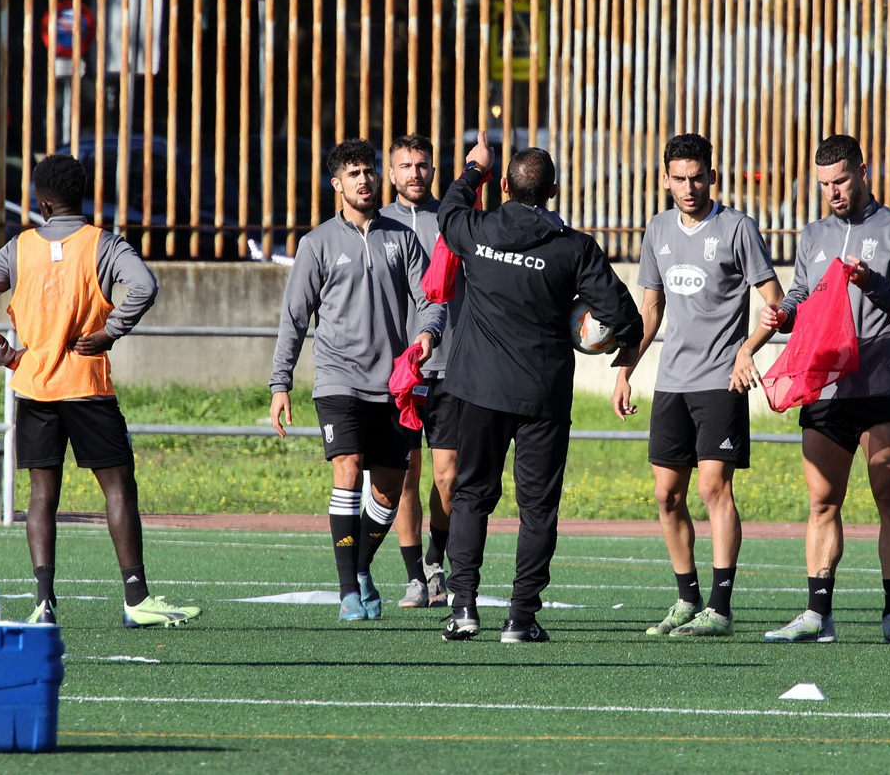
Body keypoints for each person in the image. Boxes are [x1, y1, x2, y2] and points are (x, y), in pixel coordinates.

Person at [0, 154, 200, 628]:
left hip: (34, 387)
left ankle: (44, 602)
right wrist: (111, 331)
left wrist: (6, 355)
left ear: (43, 201)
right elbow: (145, 286)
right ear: (81, 195)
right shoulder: (103, 244)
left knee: (41, 496)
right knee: (117, 488)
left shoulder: (19, 247)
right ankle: (136, 598)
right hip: (88, 385)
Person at [438, 134, 643, 643]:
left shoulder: (477, 228)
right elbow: (623, 316)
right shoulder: (574, 247)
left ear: (504, 185)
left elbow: (448, 210)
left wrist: (472, 169)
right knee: (537, 510)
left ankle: (463, 607)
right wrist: (614, 343)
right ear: (553, 190)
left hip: (479, 389)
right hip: (542, 396)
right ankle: (521, 618)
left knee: (471, 497)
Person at [752, 135, 890, 645]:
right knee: (823, 502)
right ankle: (817, 615)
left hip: (881, 386)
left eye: (841, 180)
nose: (833, 191)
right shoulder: (814, 234)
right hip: (826, 385)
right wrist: (783, 313)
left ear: (863, 172)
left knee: (889, 494)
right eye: (824, 184)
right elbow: (803, 294)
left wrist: (872, 282)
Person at [267, 138, 446, 622]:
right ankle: (349, 591)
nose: (363, 180)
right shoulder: (317, 243)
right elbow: (295, 318)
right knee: (347, 468)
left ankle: (360, 568)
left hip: (393, 384)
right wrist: (279, 383)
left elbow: (431, 297)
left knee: (388, 491)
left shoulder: (400, 238)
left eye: (368, 172)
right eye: (353, 174)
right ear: (336, 184)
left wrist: (428, 332)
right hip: (338, 380)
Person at [613, 133, 782, 638]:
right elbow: (651, 309)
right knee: (667, 495)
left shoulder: (737, 228)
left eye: (697, 177)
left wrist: (746, 350)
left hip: (720, 381)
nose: (689, 187)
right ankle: (687, 600)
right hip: (672, 383)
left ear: (713, 176)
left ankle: (721, 608)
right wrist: (626, 369)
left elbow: (775, 306)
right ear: (665, 180)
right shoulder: (658, 230)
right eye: (679, 179)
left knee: (713, 488)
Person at [377, 134, 460, 609]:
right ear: (391, 173)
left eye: (422, 164)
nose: (414, 173)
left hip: (450, 368)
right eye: (405, 165)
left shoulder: (453, 220)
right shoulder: (379, 223)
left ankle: (435, 560)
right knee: (405, 472)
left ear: (434, 170)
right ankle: (414, 576)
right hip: (398, 373)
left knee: (448, 476)